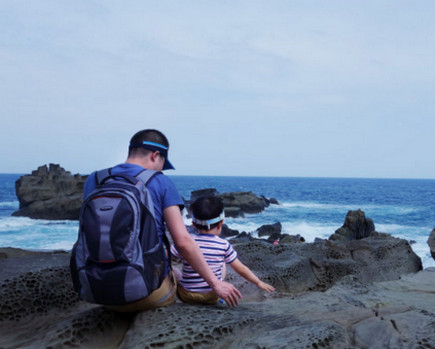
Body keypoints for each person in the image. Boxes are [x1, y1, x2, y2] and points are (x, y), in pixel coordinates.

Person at [82, 129, 242, 311]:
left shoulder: (95, 180)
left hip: (96, 291)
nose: (161, 169)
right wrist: (215, 283)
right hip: (145, 295)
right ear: (155, 155)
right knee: (178, 274)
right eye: (163, 163)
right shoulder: (160, 181)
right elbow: (182, 241)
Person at [171, 196, 275, 305]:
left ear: (194, 224)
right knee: (222, 262)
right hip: (213, 295)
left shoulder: (186, 243)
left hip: (186, 295)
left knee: (176, 272)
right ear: (221, 224)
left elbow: (165, 255)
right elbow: (240, 269)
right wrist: (258, 282)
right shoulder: (224, 244)